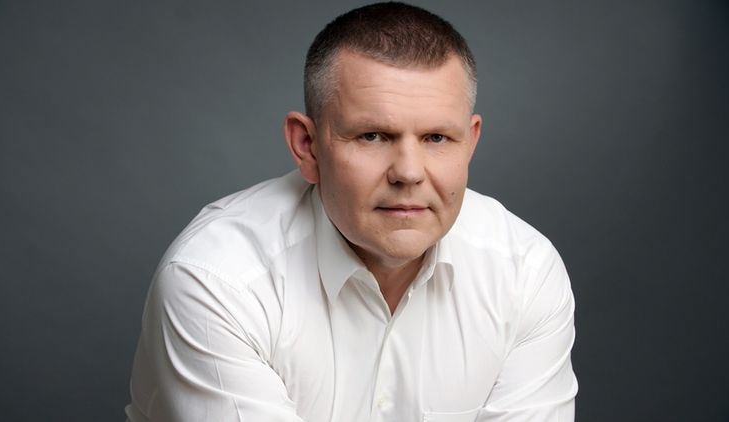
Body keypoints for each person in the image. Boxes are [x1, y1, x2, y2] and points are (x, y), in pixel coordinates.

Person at [125, 2, 577, 421]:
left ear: (470, 142)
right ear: (307, 145)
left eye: (437, 138)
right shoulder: (218, 280)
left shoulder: (525, 273)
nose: (408, 173)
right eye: (372, 136)